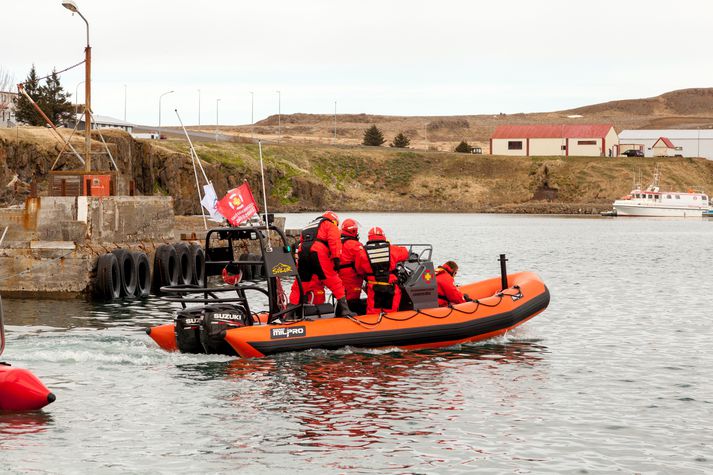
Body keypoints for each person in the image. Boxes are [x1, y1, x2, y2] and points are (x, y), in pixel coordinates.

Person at [288, 211, 355, 317]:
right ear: (334, 221)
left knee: (300, 285)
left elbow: (300, 243)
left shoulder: (309, 226)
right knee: (334, 281)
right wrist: (336, 260)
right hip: (318, 251)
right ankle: (345, 310)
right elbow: (334, 242)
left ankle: (288, 314)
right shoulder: (329, 225)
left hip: (303, 252)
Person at [355, 226, 410, 314]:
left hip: (373, 287)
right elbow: (405, 253)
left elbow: (359, 270)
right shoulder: (392, 249)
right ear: (383, 236)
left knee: (373, 313)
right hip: (391, 287)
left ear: (369, 237)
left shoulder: (361, 252)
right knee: (392, 313)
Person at [338, 218, 366, 314]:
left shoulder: (337, 243)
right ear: (354, 231)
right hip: (352, 279)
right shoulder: (355, 245)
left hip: (339, 278)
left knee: (342, 299)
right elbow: (361, 265)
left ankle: (339, 315)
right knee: (353, 301)